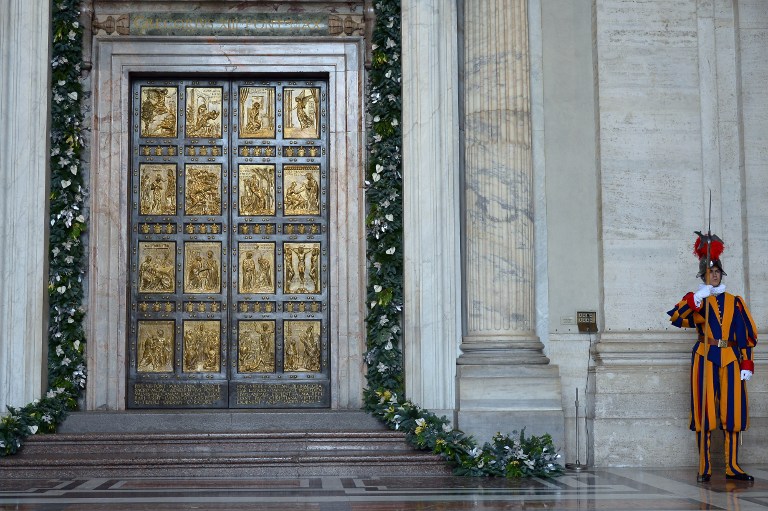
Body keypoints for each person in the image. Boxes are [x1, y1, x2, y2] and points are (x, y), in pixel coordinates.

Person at [668, 234, 757, 483]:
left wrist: (747, 362)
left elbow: (744, 335)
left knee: (733, 412)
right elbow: (676, 318)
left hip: (730, 358)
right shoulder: (696, 301)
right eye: (710, 271)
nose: (714, 275)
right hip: (705, 357)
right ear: (703, 276)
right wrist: (697, 298)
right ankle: (704, 467)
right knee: (704, 412)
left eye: (717, 271)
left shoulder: (734, 302)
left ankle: (732, 466)